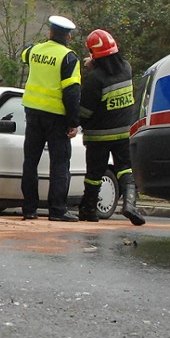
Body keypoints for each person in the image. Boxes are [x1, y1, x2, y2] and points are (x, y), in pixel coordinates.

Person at [78, 29, 145, 225]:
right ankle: (131, 204)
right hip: (123, 132)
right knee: (125, 169)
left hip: (98, 136)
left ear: (93, 54)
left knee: (94, 175)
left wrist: (76, 123)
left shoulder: (95, 79)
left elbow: (85, 111)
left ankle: (89, 209)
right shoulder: (126, 68)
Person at [20, 15, 81, 222]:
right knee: (59, 164)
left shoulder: (34, 51)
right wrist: (74, 122)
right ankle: (57, 210)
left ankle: (29, 209)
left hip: (33, 114)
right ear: (68, 37)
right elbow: (72, 93)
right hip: (57, 118)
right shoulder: (69, 58)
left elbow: (24, 53)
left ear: (50, 32)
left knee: (30, 162)